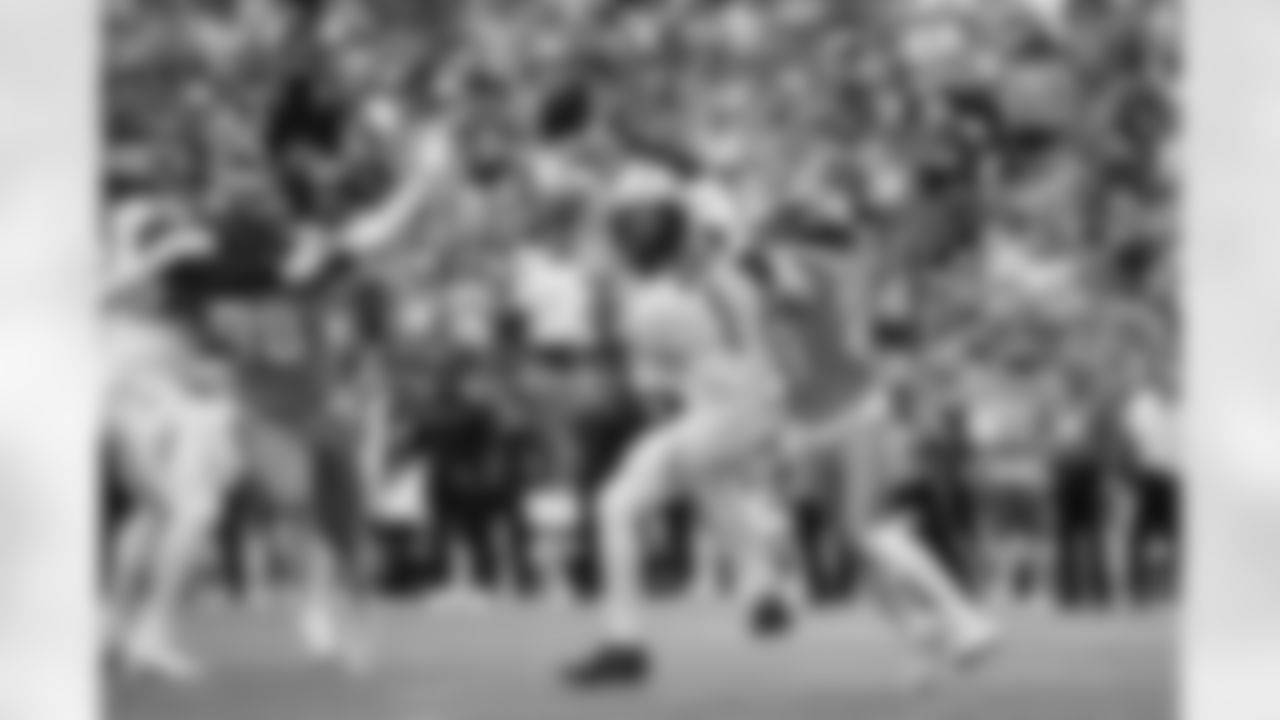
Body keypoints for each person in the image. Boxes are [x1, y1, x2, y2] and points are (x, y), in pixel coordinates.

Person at [564, 173, 795, 687]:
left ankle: (624, 643)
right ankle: (762, 588)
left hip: (725, 408)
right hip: (756, 401)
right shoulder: (728, 266)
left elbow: (651, 385)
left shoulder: (654, 303)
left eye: (636, 227)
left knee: (617, 504)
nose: (629, 237)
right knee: (707, 479)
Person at [101, 193, 243, 682]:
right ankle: (149, 636)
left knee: (154, 512)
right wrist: (163, 249)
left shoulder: (171, 279)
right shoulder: (146, 270)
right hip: (143, 398)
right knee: (192, 512)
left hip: (148, 396)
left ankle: (116, 632)